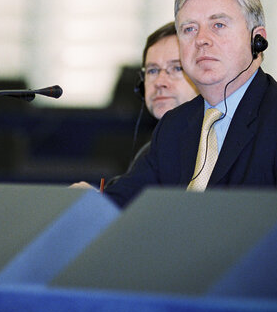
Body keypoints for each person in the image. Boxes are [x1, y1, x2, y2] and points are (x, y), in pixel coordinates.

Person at [103, 0, 277, 211]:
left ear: (257, 40)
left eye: (218, 25)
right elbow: (122, 202)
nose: (201, 40)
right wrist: (85, 200)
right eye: (189, 29)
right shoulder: (174, 126)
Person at [72, 22, 198, 190]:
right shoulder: (154, 150)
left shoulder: (215, 146)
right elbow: (124, 202)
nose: (160, 82)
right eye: (152, 71)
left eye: (176, 68)